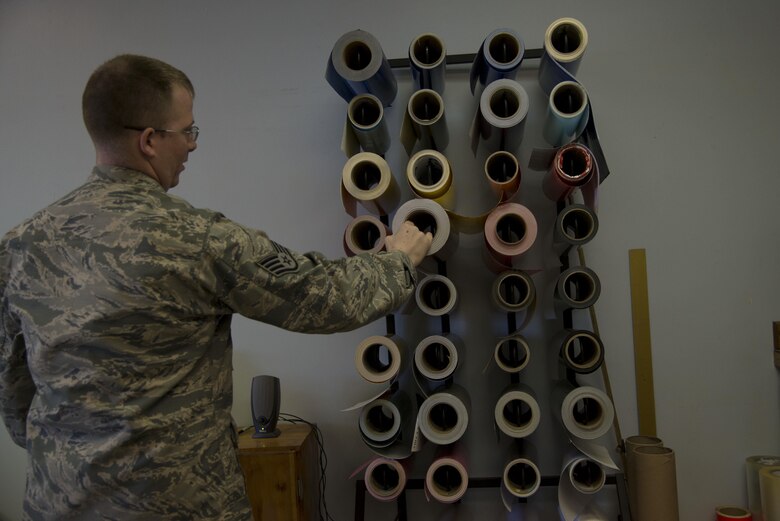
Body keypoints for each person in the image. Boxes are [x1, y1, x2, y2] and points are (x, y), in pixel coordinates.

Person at [0, 54, 432, 521]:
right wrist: (398, 261)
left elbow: (14, 389)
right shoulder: (197, 239)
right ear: (149, 141)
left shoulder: (19, 245)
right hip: (175, 505)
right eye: (187, 131)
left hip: (59, 503)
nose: (192, 145)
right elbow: (322, 298)